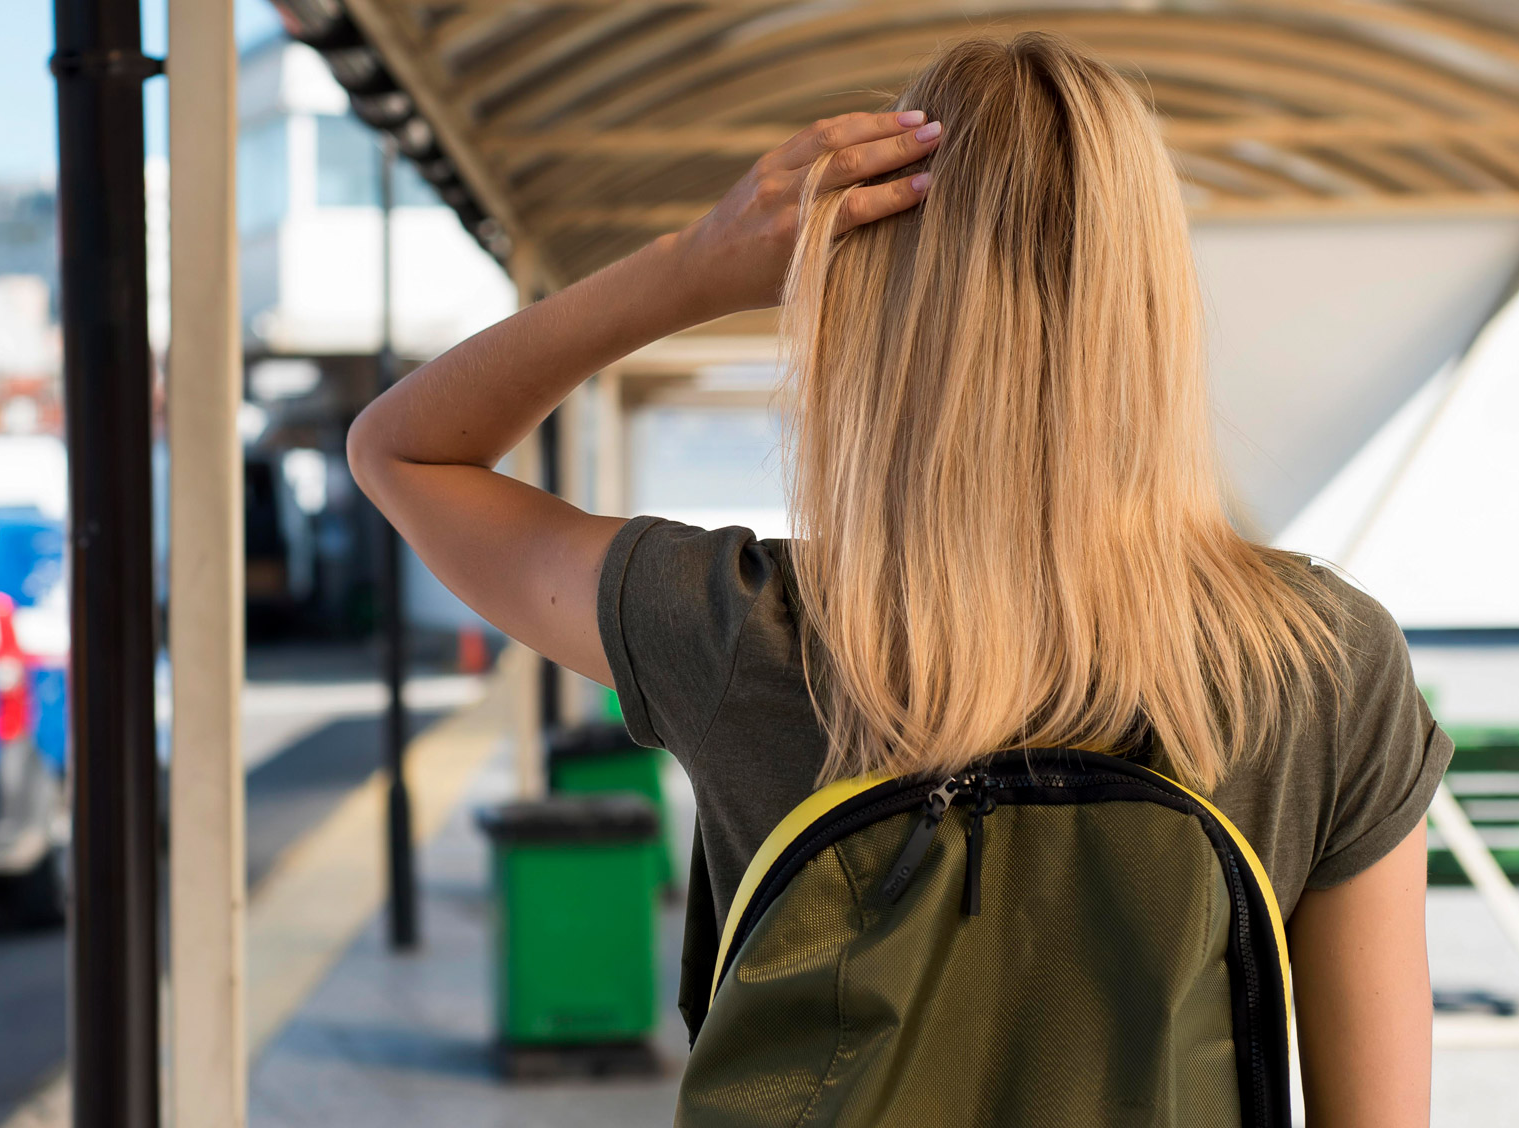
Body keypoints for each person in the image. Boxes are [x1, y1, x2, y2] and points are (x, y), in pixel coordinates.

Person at [348, 32, 1447, 1127]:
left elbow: (403, 453)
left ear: (870, 303)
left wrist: (692, 265)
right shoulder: (1325, 663)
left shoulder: (747, 628)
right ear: (1153, 302)